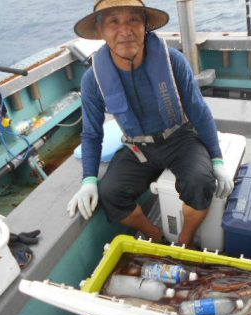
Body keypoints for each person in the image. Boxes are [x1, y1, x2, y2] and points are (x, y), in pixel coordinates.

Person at [67, 0, 233, 248]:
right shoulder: (93, 80)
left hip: (180, 139)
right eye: (114, 21)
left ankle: (184, 242)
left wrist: (217, 161)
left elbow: (198, 110)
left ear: (145, 25)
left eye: (133, 19)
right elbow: (92, 133)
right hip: (138, 148)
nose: (125, 30)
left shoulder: (172, 61)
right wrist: (88, 180)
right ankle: (156, 236)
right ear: (100, 31)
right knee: (111, 194)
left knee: (201, 182)